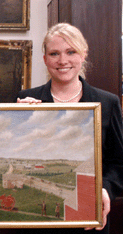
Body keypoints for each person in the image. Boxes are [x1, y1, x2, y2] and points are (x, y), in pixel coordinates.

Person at [17, 23, 123, 234]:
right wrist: (19, 122)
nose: (63, 60)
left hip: (90, 220)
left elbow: (119, 163)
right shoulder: (25, 101)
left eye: (70, 52)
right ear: (45, 59)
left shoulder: (107, 102)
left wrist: (106, 189)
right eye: (54, 53)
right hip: (38, 218)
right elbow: (16, 159)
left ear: (83, 54)